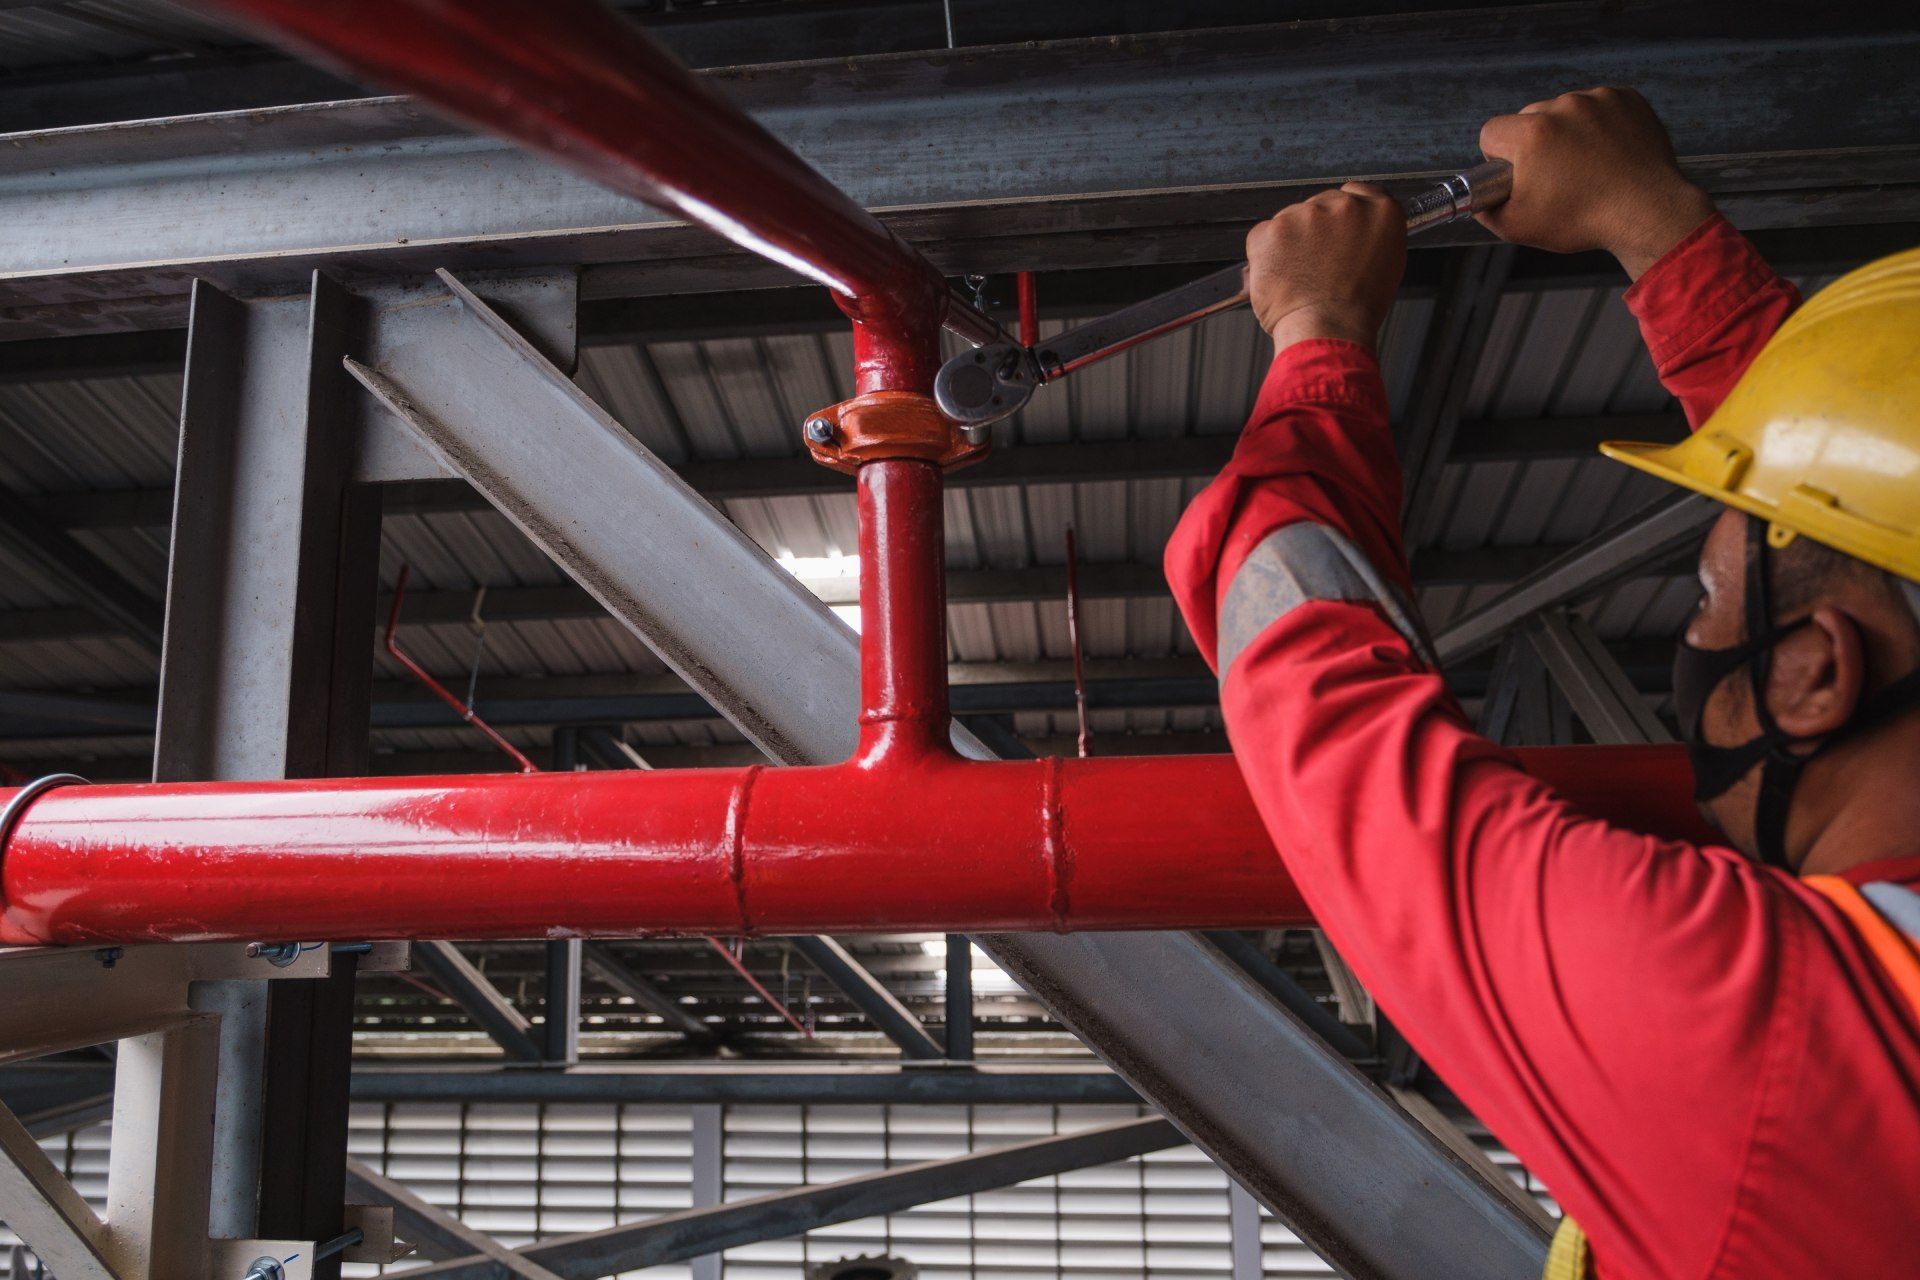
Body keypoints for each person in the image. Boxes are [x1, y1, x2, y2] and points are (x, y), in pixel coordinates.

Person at [1164, 87, 1920, 1279]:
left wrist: (1316, 335)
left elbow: (1323, 698)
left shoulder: (1760, 1029)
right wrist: (1656, 228)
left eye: (1707, 600)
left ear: (1817, 673)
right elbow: (1863, 503)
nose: (1696, 631)